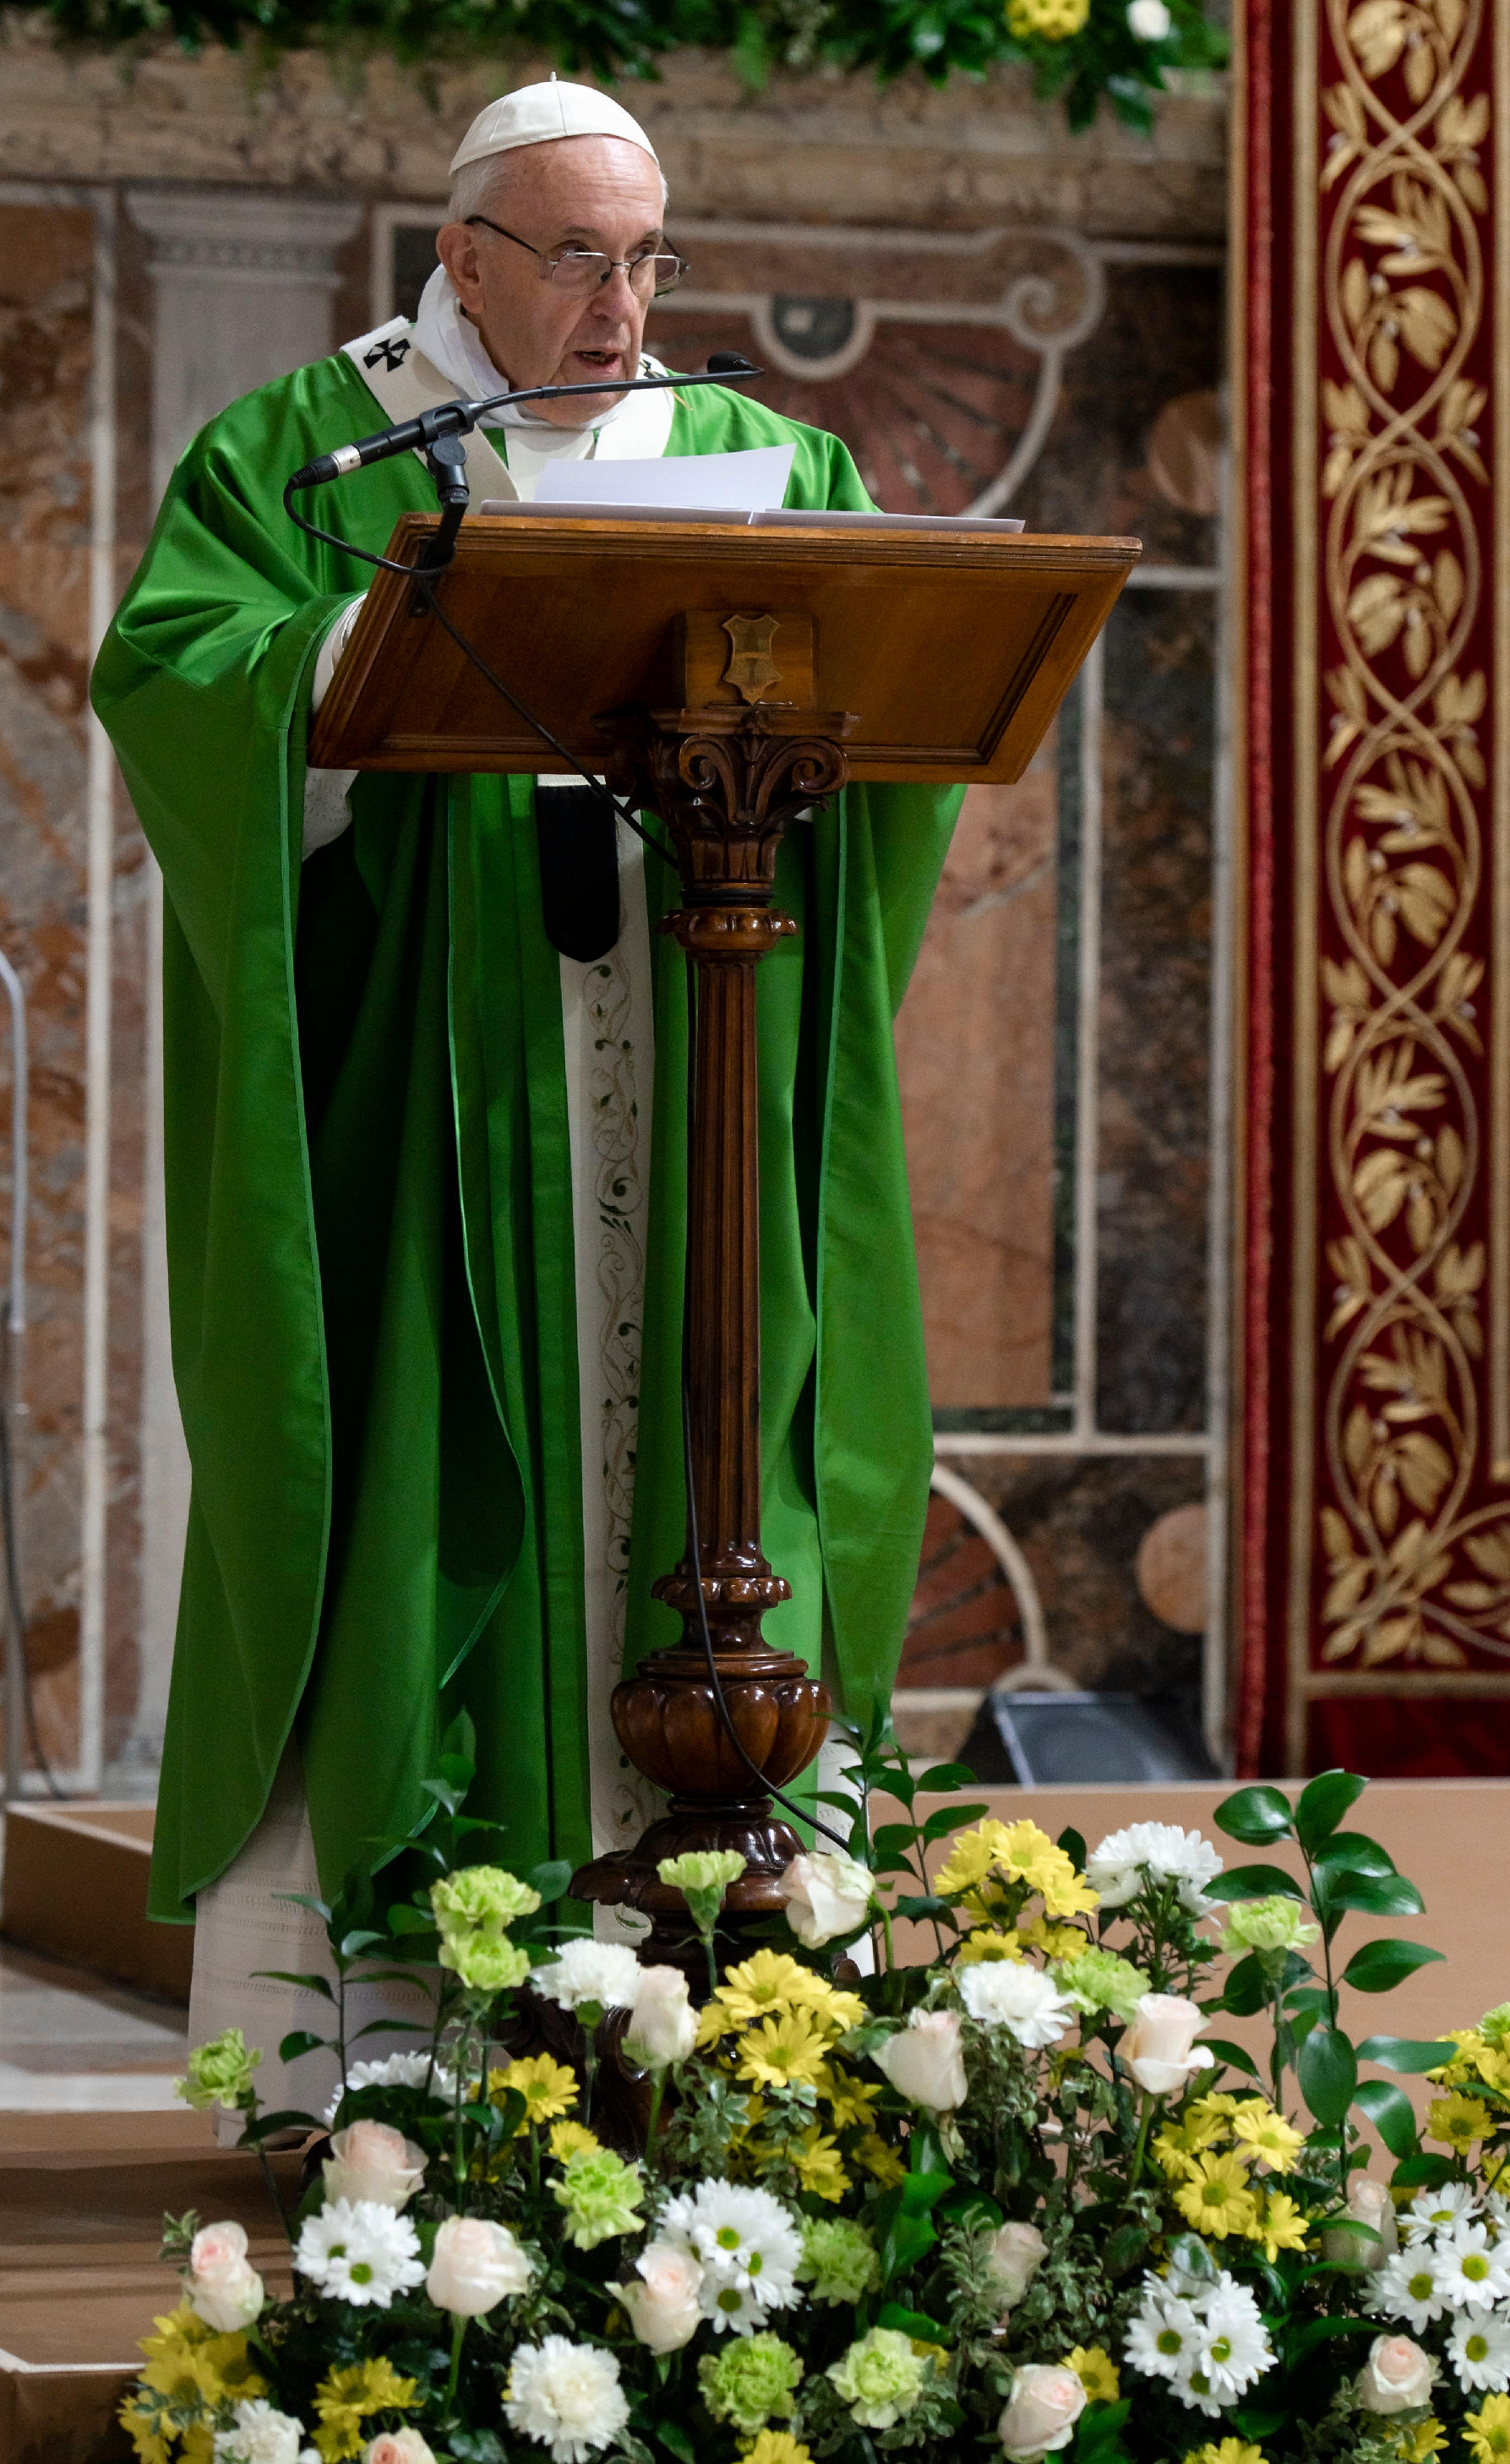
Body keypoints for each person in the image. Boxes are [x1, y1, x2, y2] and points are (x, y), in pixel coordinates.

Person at [92, 77, 959, 2111]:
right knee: (426, 1470)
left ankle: (737, 2024)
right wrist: (356, 649)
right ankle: (393, 2055)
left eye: (647, 257)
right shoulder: (306, 450)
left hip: (697, 1035)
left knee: (722, 1442)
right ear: (463, 256)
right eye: (577, 256)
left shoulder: (771, 464)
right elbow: (179, 677)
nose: (621, 302)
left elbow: (896, 731)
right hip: (446, 1101)